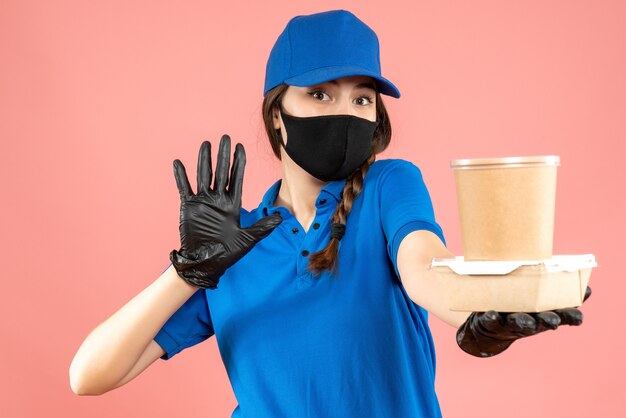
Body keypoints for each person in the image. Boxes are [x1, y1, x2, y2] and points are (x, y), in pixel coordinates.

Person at [69, 9, 591, 417]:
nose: (344, 112)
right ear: (278, 115)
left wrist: (486, 313)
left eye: (363, 99)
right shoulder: (231, 245)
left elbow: (425, 270)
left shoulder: (389, 185)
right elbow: (88, 376)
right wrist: (188, 274)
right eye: (319, 94)